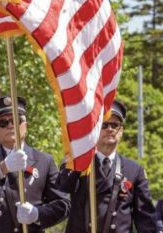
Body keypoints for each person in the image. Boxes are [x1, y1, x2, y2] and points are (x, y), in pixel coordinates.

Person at [0, 96, 69, 233]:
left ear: (25, 125)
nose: (10, 125)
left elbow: (63, 204)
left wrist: (37, 214)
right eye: (3, 122)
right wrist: (3, 167)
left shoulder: (44, 160)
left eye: (16, 120)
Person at [59, 100, 157, 233]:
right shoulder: (78, 162)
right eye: (104, 125)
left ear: (121, 131)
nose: (110, 129)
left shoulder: (134, 170)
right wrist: (79, 157)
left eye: (115, 125)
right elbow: (63, 188)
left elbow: (145, 218)